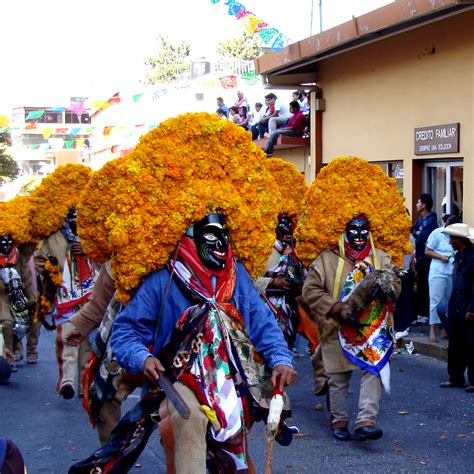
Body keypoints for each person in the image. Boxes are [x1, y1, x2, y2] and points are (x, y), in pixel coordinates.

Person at [111, 212, 297, 472]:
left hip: (230, 378)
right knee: (190, 416)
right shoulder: (162, 279)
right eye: (211, 234)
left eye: (225, 233)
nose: (220, 242)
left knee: (234, 442)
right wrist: (142, 357)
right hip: (177, 377)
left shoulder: (236, 276)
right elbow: (125, 331)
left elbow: (262, 322)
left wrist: (280, 360)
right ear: (188, 237)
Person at [302, 216, 401, 442]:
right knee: (337, 376)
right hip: (337, 325)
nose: (358, 235)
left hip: (373, 328)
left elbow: (396, 284)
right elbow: (311, 291)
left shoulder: (382, 258)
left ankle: (366, 421)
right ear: (343, 231)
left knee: (375, 369)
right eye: (353, 230)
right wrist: (335, 307)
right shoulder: (326, 260)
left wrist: (387, 286)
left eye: (364, 230)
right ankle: (339, 420)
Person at [35, 207, 97, 399]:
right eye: (73, 218)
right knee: (67, 338)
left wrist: (88, 249)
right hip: (64, 294)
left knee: (87, 341)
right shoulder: (53, 237)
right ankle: (67, 381)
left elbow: (106, 256)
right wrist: (51, 268)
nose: (76, 221)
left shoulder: (93, 234)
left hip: (90, 294)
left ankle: (84, 385)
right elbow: (39, 260)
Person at [256, 214, 306, 349]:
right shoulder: (261, 248)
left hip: (289, 312)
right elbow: (247, 281)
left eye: (290, 225)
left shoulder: (297, 249)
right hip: (263, 309)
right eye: (282, 225)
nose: (287, 230)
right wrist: (272, 282)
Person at [439, 223, 474, 393]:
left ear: (460, 240)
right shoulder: (459, 257)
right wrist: (450, 305)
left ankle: (472, 380)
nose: (450, 241)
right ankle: (455, 377)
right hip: (456, 305)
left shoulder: (472, 258)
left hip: (468, 305)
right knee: (455, 344)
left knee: (471, 344)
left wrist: (472, 309)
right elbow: (455, 284)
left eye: (452, 238)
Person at [0, 234, 36, 373]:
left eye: (10, 242)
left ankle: (18, 347)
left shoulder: (18, 257)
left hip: (16, 300)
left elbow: (26, 280)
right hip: (2, 300)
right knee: (7, 324)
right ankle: (8, 360)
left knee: (22, 324)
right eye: (3, 242)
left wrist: (32, 298)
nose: (7, 245)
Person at [425, 215, 460, 342]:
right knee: (435, 300)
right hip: (437, 271)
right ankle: (432, 329)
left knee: (448, 301)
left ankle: (445, 328)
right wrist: (441, 257)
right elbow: (427, 251)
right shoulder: (436, 233)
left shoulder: (457, 236)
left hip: (451, 272)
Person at [412, 193, 438, 319]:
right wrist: (417, 233)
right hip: (419, 258)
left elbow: (422, 238)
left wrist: (417, 233)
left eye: (418, 202)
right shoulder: (420, 219)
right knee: (420, 286)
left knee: (426, 287)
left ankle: (426, 314)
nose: (416, 204)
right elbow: (413, 232)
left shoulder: (431, 220)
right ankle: (421, 313)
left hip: (427, 259)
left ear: (424, 205)